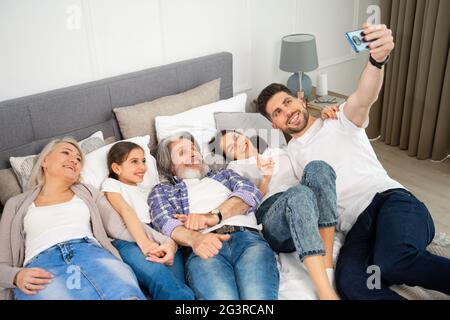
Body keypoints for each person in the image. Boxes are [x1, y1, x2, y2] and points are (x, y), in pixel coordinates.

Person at [256, 23, 450, 299]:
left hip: (390, 202)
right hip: (357, 227)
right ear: (274, 125)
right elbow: (264, 184)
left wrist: (376, 59)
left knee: (393, 262)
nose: (287, 111)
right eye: (277, 112)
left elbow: (364, 97)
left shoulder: (339, 120)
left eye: (287, 102)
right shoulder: (288, 157)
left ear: (300, 99)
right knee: (351, 285)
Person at [0, 138, 145, 300]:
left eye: (78, 159)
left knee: (126, 295)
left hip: (92, 254)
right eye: (65, 152)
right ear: (45, 161)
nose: (74, 160)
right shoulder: (15, 204)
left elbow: (121, 224)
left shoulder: (88, 192)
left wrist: (166, 238)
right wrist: (16, 276)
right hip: (42, 268)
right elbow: (2, 262)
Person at [214, 117, 340, 300]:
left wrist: (326, 116)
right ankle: (327, 293)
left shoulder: (281, 152)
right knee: (299, 193)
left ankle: (327, 265)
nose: (238, 144)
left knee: (318, 167)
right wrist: (265, 180)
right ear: (230, 157)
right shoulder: (235, 169)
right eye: (232, 148)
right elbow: (246, 205)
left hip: (308, 208)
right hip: (274, 217)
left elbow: (311, 174)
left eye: (236, 138)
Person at [148, 132, 279, 300]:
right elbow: (165, 223)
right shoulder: (163, 191)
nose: (193, 153)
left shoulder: (224, 174)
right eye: (182, 152)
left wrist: (212, 216)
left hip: (248, 240)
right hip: (204, 249)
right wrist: (194, 238)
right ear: (171, 167)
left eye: (194, 149)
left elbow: (250, 193)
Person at [102, 141, 194, 300]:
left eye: (143, 161)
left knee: (178, 284)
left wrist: (169, 243)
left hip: (159, 238)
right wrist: (144, 243)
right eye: (134, 161)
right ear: (117, 168)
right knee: (164, 281)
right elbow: (126, 211)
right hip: (131, 239)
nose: (142, 166)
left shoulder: (149, 191)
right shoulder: (112, 184)